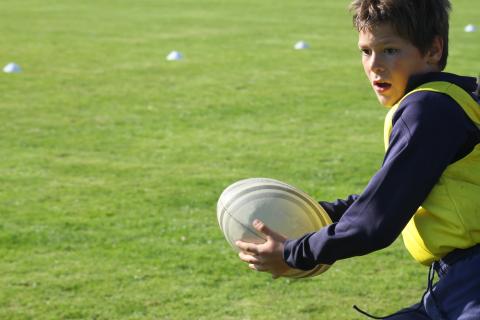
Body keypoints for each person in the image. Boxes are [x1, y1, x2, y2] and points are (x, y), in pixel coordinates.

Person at [235, 0, 480, 319]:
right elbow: (395, 195)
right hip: (460, 282)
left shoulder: (427, 111)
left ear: (433, 49)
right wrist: (320, 214)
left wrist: (293, 253)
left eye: (390, 50)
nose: (375, 64)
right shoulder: (452, 97)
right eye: (366, 51)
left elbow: (375, 221)